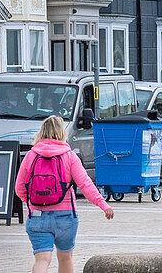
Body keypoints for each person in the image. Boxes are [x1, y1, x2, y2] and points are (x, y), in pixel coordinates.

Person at [15, 116, 114, 273]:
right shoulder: (69, 156)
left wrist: (31, 204)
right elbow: (85, 184)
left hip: (38, 215)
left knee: (42, 260)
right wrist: (104, 205)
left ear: (42, 132)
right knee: (65, 258)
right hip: (65, 216)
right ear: (62, 132)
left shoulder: (31, 156)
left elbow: (19, 187)